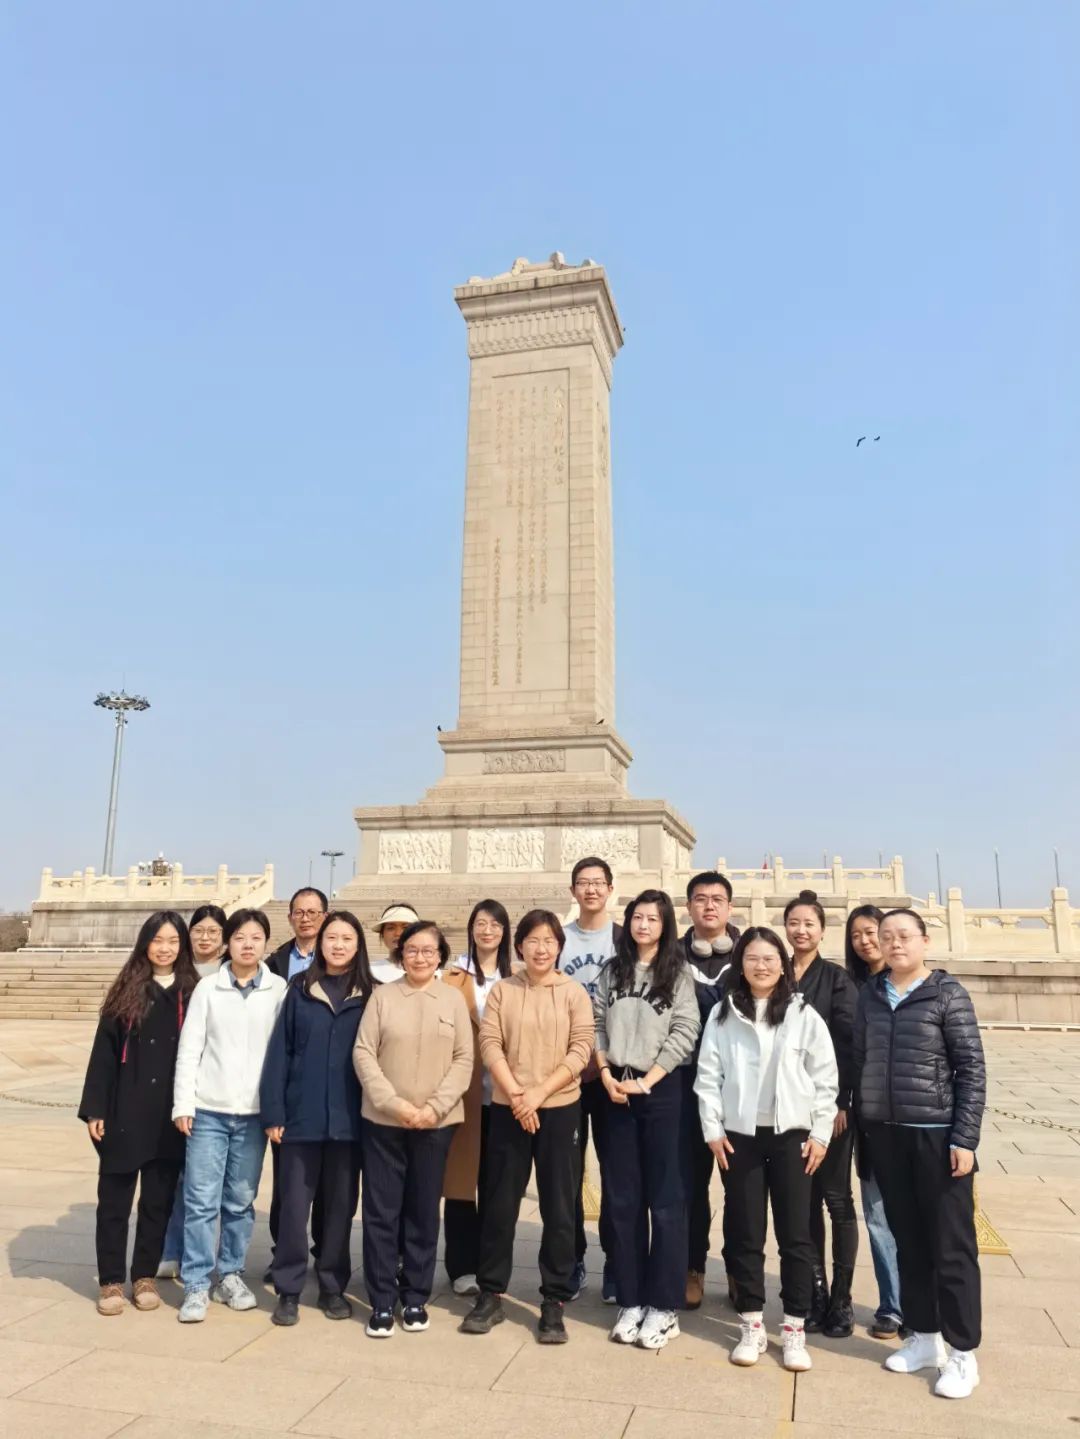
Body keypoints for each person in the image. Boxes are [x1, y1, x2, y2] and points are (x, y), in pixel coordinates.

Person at [854, 908, 986, 1400]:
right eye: (886, 936)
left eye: (904, 935)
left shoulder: (947, 994)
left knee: (951, 1246)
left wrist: (964, 1139)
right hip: (887, 1135)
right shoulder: (871, 995)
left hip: (937, 1135)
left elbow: (971, 1068)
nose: (894, 944)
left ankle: (963, 1353)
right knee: (908, 1242)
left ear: (924, 941)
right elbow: (860, 1059)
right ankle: (925, 1338)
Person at [695, 926, 836, 1373]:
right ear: (740, 964)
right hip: (741, 1137)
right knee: (745, 1233)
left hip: (792, 1136)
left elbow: (825, 1078)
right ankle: (752, 1323)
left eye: (770, 958)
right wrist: (712, 1129)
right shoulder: (723, 1014)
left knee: (796, 1236)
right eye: (752, 958)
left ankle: (793, 1327)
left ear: (783, 965)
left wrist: (820, 1134)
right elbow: (708, 1076)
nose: (761, 966)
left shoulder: (803, 1013)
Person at [461, 909, 595, 1344]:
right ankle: (491, 1293)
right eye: (532, 940)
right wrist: (518, 1094)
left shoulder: (573, 992)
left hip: (559, 1108)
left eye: (549, 941)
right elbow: (490, 1043)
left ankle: (554, 1299)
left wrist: (538, 1095)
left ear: (559, 947)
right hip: (509, 1107)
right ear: (519, 946)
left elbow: (581, 1048)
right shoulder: (504, 990)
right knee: (500, 1204)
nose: (541, 949)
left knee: (559, 1207)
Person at [353, 919, 472, 1337]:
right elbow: (364, 1053)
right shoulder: (383, 997)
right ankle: (382, 1300)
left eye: (428, 950)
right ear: (400, 954)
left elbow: (464, 1059)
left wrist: (434, 1108)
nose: (420, 957)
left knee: (423, 1211)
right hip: (384, 1122)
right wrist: (394, 1104)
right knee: (381, 1213)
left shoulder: (452, 999)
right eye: (412, 950)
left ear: (440, 957)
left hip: (436, 1124)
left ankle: (416, 1296)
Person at [593, 889, 700, 1350]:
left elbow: (685, 1030)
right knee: (623, 1199)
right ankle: (632, 1298)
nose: (643, 925)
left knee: (666, 1199)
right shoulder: (612, 970)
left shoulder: (678, 973)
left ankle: (664, 1305)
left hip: (661, 1091)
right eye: (637, 917)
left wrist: (649, 1080)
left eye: (653, 919)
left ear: (665, 925)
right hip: (616, 1087)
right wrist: (604, 1073)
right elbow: (596, 1023)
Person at [79, 911, 199, 1315]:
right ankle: (111, 1281)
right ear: (145, 943)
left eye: (173, 941)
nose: (165, 948)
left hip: (170, 1113)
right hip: (125, 1108)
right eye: (157, 940)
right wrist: (95, 1108)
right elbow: (104, 1054)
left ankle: (144, 1275)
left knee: (157, 1202)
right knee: (114, 1201)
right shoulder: (126, 990)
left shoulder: (193, 991)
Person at [261, 911, 376, 1325]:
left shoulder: (371, 994)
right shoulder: (299, 989)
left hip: (350, 1121)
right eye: (332, 938)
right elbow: (280, 1052)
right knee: (294, 1208)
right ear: (320, 943)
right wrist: (274, 1111)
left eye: (347, 938)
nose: (338, 945)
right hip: (301, 1119)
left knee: (340, 1209)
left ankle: (331, 1286)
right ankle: (289, 1289)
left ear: (358, 945)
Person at [172, 907, 287, 1323]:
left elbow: (283, 1056)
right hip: (209, 1111)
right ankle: (196, 1283)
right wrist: (183, 1104)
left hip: (254, 1115)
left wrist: (277, 1111)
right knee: (201, 1200)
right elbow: (190, 1049)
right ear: (228, 943)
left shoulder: (278, 989)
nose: (247, 945)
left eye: (256, 938)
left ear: (266, 943)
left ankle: (231, 1274)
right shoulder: (208, 988)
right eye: (239, 937)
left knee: (240, 1201)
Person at [784, 889, 858, 1337]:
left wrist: (841, 1102)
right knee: (804, 1204)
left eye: (809, 924)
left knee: (837, 1200)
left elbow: (848, 1041)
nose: (801, 930)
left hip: (829, 1107)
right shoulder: (776, 972)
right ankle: (815, 1294)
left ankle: (842, 1301)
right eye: (794, 923)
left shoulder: (836, 979)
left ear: (822, 931)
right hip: (790, 1109)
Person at [442, 899, 515, 1297]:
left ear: (505, 932)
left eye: (495, 924)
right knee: (460, 1184)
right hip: (464, 1093)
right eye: (481, 923)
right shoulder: (451, 977)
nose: (488, 931)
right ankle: (461, 1266)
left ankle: (490, 1266)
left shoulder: (516, 977)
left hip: (503, 1096)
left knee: (496, 1186)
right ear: (471, 928)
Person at [559, 855, 620, 1301]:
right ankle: (572, 1259)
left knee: (617, 1174)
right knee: (568, 1174)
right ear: (573, 890)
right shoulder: (558, 940)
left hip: (614, 1073)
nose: (591, 889)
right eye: (584, 882)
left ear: (610, 888)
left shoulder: (625, 939)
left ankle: (617, 1264)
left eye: (598, 882)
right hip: (567, 1074)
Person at [680, 870, 741, 1310]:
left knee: (739, 1186)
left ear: (730, 907)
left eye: (717, 899)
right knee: (690, 1184)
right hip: (686, 1085)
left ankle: (738, 1269)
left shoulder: (751, 953)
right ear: (688, 907)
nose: (709, 906)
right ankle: (692, 1266)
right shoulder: (670, 954)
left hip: (738, 1088)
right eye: (701, 899)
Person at [157, 903, 227, 1280]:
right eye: (198, 930)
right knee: (177, 1175)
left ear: (225, 938)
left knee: (208, 1181)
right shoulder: (177, 973)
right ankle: (171, 1249)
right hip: (177, 1083)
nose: (205, 937)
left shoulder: (232, 973)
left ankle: (203, 1253)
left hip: (217, 1089)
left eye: (213, 931)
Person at [844, 904, 903, 1339]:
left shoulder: (921, 985)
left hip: (916, 1120)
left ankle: (923, 1303)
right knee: (879, 1215)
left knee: (916, 1216)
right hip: (869, 1119)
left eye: (871, 932)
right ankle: (893, 1306)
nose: (866, 942)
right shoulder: (855, 989)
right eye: (857, 936)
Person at [264, 887, 329, 1280]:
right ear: (289, 917)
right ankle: (283, 1254)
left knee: (329, 1184)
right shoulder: (274, 963)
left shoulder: (339, 957)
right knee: (287, 1180)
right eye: (299, 912)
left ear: (325, 916)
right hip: (288, 1082)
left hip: (329, 1083)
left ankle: (324, 1253)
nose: (306, 918)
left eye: (313, 912)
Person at [369, 902, 420, 984]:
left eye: (405, 928)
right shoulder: (369, 972)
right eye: (391, 928)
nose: (398, 933)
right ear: (382, 934)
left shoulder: (432, 972)